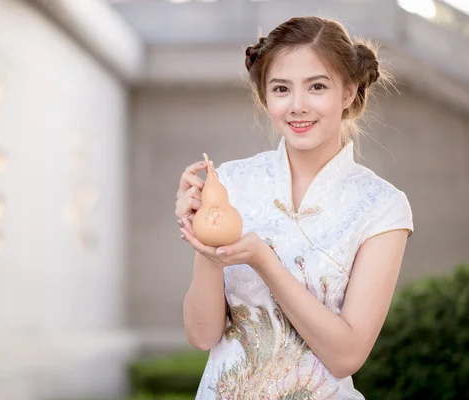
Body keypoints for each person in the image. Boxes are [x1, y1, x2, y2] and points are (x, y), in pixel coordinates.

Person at [174, 16, 414, 399]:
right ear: (265, 97)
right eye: (281, 88)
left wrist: (263, 260)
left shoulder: (382, 206)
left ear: (349, 91)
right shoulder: (230, 182)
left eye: (317, 87)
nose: (298, 106)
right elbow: (202, 336)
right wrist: (207, 248)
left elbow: (346, 356)